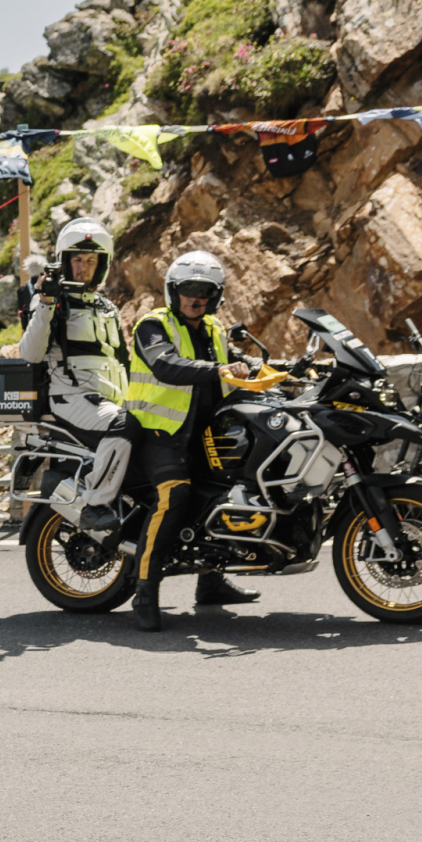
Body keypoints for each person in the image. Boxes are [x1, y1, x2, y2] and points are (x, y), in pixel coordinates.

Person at [122, 250, 263, 631]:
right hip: (158, 434)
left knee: (225, 493)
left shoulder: (214, 328)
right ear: (173, 291)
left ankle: (210, 581)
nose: (195, 297)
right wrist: (220, 369)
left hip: (202, 434)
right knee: (175, 496)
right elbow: (166, 364)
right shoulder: (152, 326)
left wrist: (275, 368)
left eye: (204, 290)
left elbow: (237, 360)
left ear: (215, 296)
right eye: (188, 289)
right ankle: (145, 592)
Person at [17, 217, 131, 535]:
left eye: (91, 261)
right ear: (66, 262)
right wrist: (46, 301)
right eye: (77, 260)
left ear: (102, 265)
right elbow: (30, 354)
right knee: (124, 425)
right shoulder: (54, 302)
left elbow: (124, 362)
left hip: (110, 401)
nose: (83, 267)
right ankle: (95, 505)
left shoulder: (108, 308)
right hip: (73, 399)